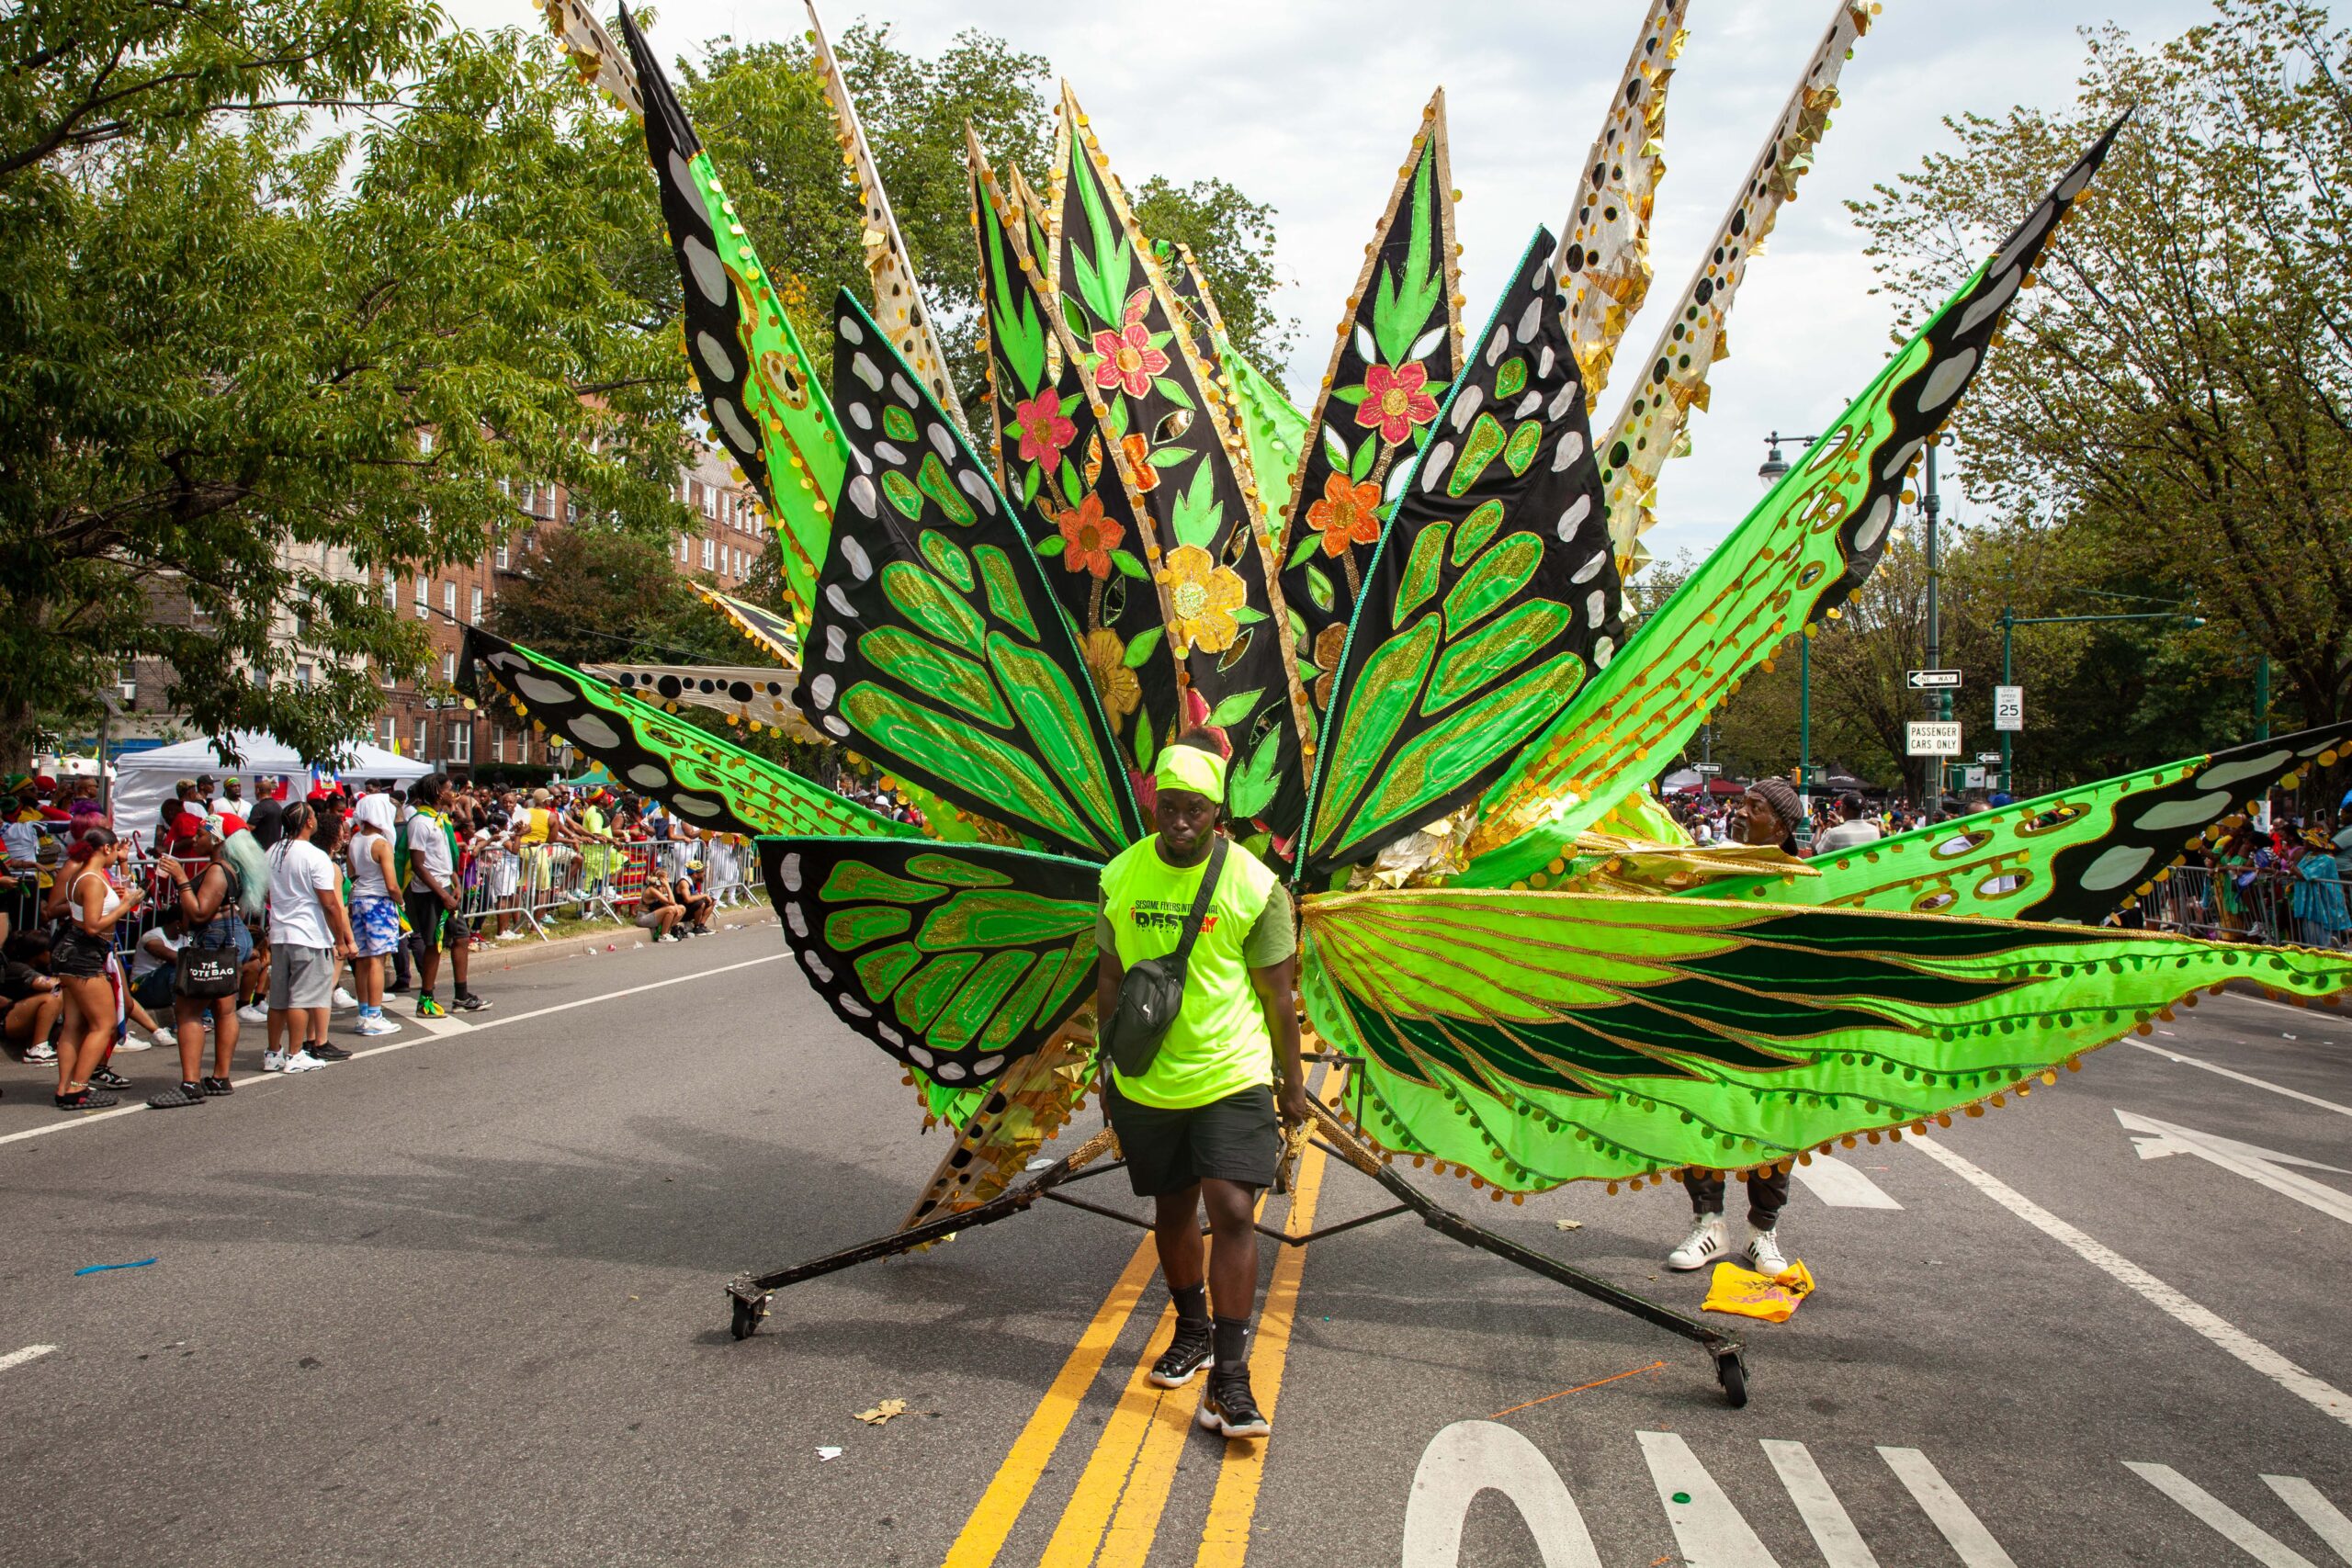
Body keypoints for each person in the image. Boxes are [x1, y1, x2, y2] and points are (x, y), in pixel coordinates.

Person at [1094, 736, 1306, 1442]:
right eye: (1170, 808)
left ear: (1219, 812)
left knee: (1234, 1208)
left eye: (1195, 810)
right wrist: (1105, 1065)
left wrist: (1291, 1082)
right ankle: (1193, 1330)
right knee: (1173, 1206)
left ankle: (1231, 1380)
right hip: (1150, 1078)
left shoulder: (1254, 885)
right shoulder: (1120, 876)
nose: (1180, 822)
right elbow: (1109, 979)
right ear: (1153, 805)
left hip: (1230, 1071)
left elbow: (1278, 998)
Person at [1666, 776, 1802, 1275]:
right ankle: (1709, 1224)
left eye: (1755, 807)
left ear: (1780, 828)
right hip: (1710, 1016)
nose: (1740, 812)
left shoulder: (1806, 878)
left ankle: (1762, 1233)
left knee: (1774, 1125)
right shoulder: (1711, 868)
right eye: (1742, 803)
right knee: (1700, 1114)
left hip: (1775, 1024)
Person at [151, 816, 245, 1104]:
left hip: (213, 940)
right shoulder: (226, 866)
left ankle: (191, 1084)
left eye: (201, 834)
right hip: (224, 937)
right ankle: (219, 1077)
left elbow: (201, 912)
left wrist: (181, 878)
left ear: (216, 839)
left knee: (188, 1011)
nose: (194, 839)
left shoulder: (218, 869)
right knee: (224, 1010)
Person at [52, 828, 143, 1109]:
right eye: (115, 850)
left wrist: (120, 896)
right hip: (85, 955)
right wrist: (126, 905)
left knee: (74, 1025)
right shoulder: (91, 879)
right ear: (106, 849)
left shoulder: (82, 875)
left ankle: (65, 1088)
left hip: (74, 953)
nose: (117, 855)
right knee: (103, 1024)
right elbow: (92, 926)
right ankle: (78, 1087)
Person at [264, 802, 354, 1073]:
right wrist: (340, 940)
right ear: (308, 823)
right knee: (302, 999)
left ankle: (273, 1052)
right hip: (308, 934)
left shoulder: (272, 851)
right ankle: (295, 1054)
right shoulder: (315, 856)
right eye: (312, 815)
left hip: (280, 933)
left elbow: (267, 892)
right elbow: (330, 904)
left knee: (278, 999)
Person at [404, 773, 486, 1016]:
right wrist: (442, 894)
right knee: (434, 944)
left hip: (446, 887)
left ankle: (461, 995)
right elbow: (418, 864)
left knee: (461, 937)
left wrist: (455, 882)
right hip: (431, 892)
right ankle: (425, 1000)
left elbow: (443, 857)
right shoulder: (420, 822)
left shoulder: (440, 819)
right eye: (451, 789)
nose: (455, 793)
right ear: (439, 793)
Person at [345, 792, 403, 1036]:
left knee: (362, 961)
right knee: (378, 960)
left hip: (358, 900)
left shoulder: (355, 840)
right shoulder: (381, 843)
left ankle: (363, 1014)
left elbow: (352, 874)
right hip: (379, 902)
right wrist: (400, 902)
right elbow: (392, 884)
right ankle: (375, 1015)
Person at [2, 931, 63, 1063]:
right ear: (38, 952)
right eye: (49, 950)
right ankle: (37, 1048)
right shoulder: (15, 967)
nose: (52, 953)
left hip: (24, 1019)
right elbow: (48, 984)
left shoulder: (45, 967)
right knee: (53, 997)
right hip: (8, 1020)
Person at [1813, 793, 1883, 855]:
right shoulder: (1874, 830)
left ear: (1844, 808)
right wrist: (1839, 826)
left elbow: (1817, 852)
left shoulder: (1834, 833)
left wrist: (1819, 826)